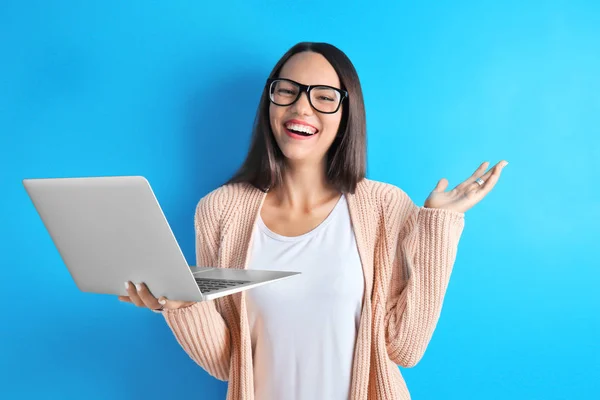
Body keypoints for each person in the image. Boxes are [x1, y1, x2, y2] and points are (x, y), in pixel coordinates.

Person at [118, 42, 508, 400]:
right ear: (269, 101)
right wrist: (182, 304)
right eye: (287, 90)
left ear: (346, 114)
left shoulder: (385, 207)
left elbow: (405, 347)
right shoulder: (220, 210)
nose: (301, 108)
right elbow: (227, 363)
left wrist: (438, 224)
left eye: (324, 97)